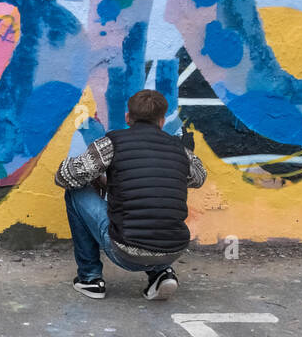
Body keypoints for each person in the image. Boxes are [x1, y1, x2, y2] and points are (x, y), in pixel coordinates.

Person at [54, 89, 206, 301]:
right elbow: (198, 178)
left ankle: (90, 278)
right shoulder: (179, 150)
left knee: (75, 191)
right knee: (154, 201)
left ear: (128, 118)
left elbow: (64, 177)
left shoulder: (112, 143)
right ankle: (160, 272)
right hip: (174, 249)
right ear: (161, 121)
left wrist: (100, 176)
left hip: (125, 253)